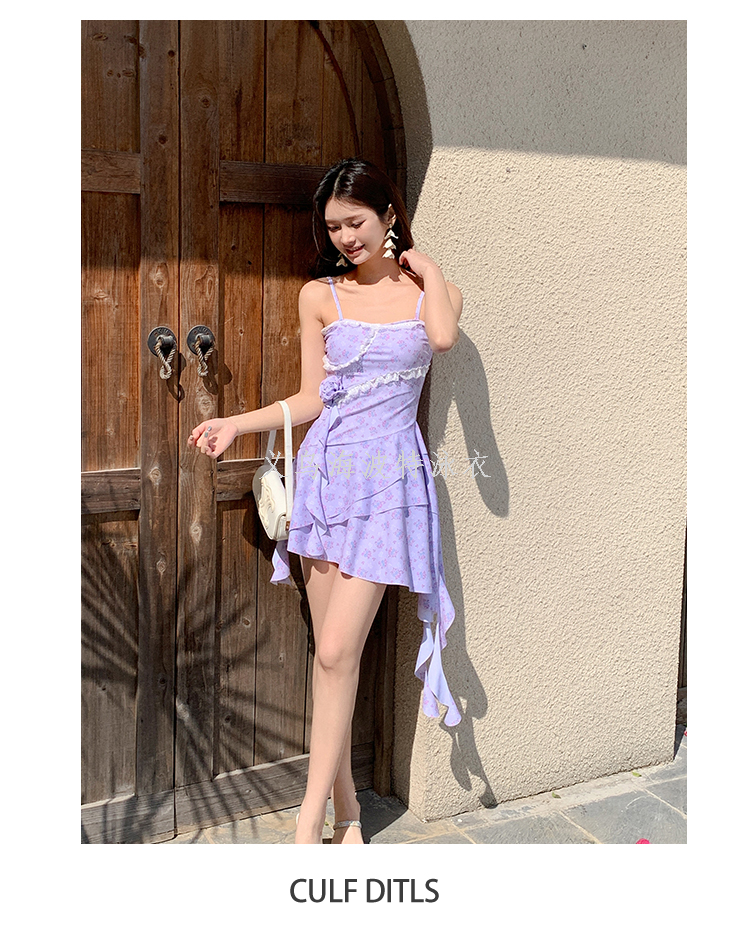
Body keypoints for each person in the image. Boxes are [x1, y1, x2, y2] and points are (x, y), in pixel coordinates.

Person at [188, 158, 462, 844]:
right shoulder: (320, 296)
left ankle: (307, 823)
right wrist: (237, 423)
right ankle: (346, 812)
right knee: (331, 655)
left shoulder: (434, 292)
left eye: (356, 222)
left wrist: (427, 269)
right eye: (334, 226)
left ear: (389, 215)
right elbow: (313, 397)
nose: (345, 237)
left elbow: (442, 338)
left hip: (390, 485)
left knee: (338, 650)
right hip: (326, 475)